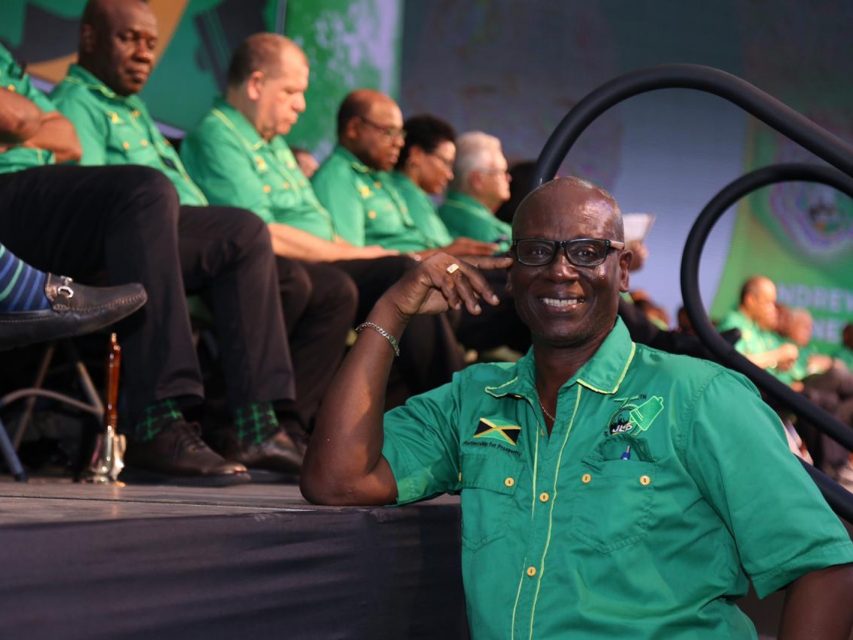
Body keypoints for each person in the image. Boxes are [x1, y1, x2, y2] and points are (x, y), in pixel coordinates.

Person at [302, 176, 853, 639]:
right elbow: (338, 479)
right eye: (537, 251)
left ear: (624, 269)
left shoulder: (700, 396)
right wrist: (391, 311)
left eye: (587, 252)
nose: (560, 271)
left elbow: (825, 568)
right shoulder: (475, 399)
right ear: (511, 269)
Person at [48, 0, 339, 481]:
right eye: (128, 39)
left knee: (312, 280)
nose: (144, 53)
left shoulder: (136, 112)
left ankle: (260, 424)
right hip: (120, 249)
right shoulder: (77, 103)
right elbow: (96, 204)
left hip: (173, 239)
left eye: (150, 43)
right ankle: (161, 422)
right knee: (245, 232)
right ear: (89, 39)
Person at [180, 33, 465, 397]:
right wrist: (365, 254)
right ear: (255, 85)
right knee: (399, 274)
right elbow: (262, 232)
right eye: (291, 92)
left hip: (317, 261)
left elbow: (324, 231)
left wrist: (368, 253)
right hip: (280, 265)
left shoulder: (274, 145)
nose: (300, 105)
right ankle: (458, 406)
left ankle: (417, 408)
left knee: (408, 275)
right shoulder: (218, 136)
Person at [437, 131, 513, 252]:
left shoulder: (446, 210)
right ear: (478, 180)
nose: (508, 178)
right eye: (501, 172)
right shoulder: (479, 225)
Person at [717, 276, 800, 378]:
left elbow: (758, 361)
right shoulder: (734, 323)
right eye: (768, 302)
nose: (772, 308)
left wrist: (777, 364)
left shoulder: (754, 327)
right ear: (750, 300)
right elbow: (735, 362)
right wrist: (778, 355)